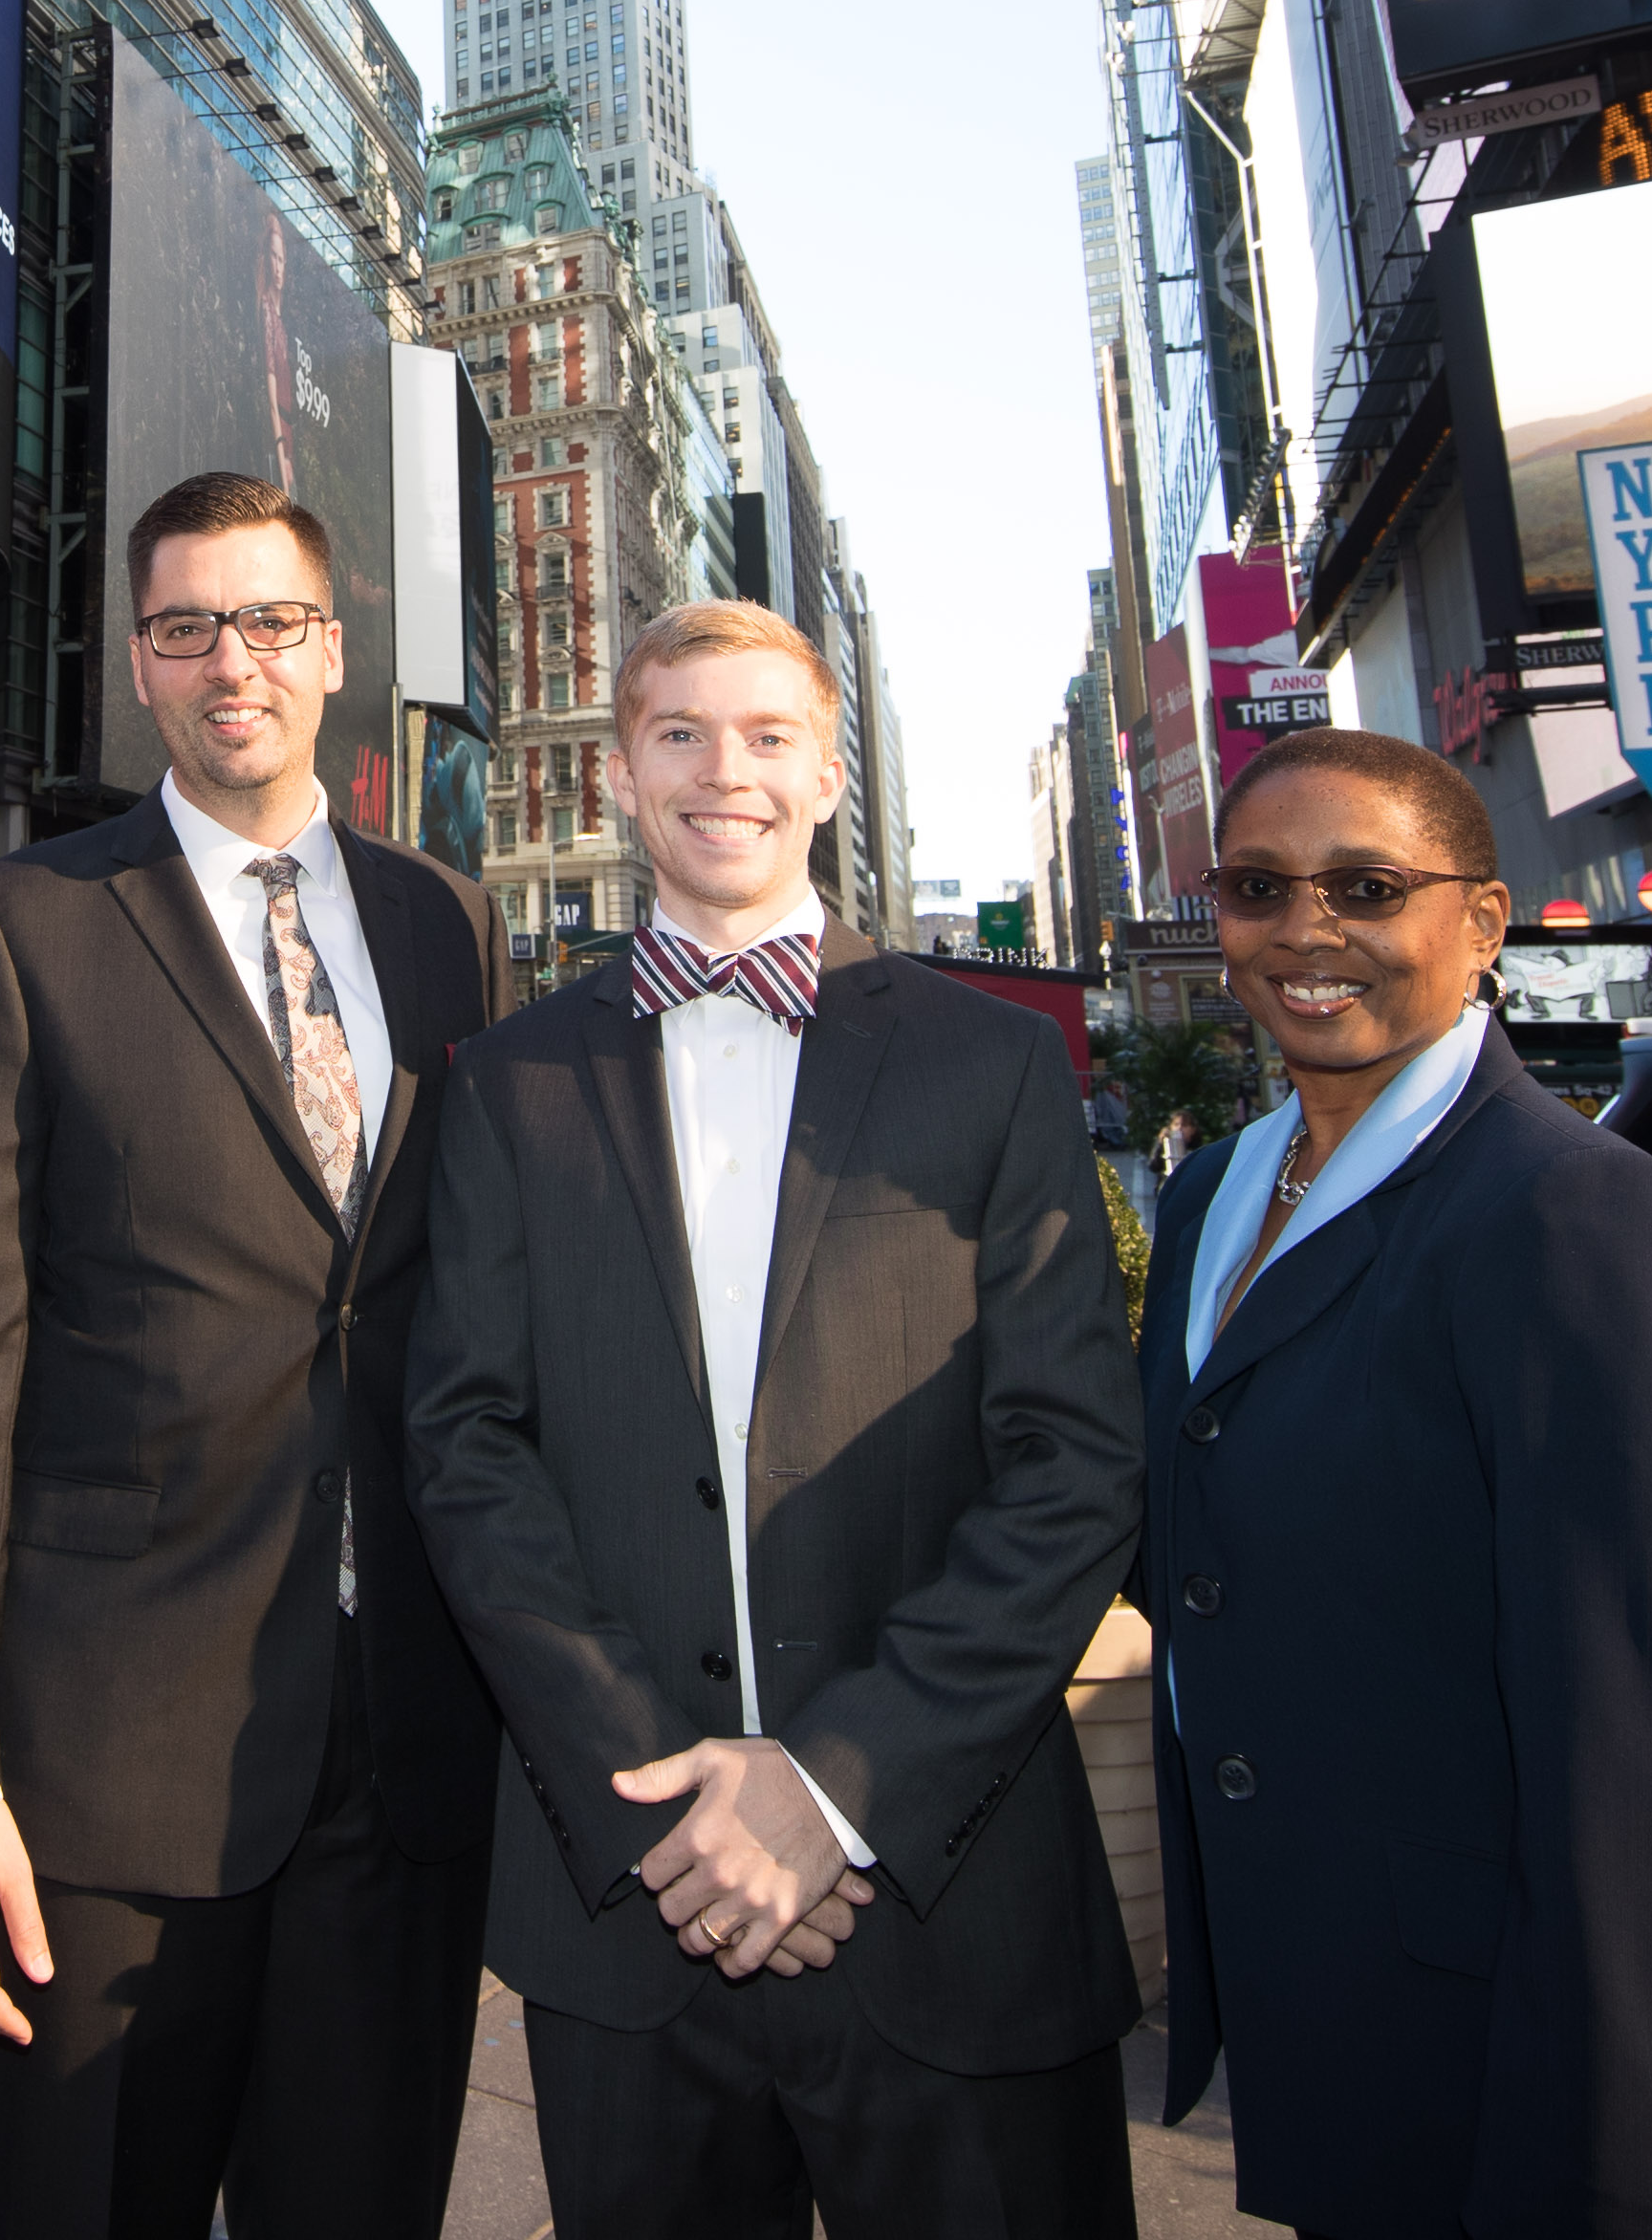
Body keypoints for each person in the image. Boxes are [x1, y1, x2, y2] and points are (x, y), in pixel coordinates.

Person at [1139, 729, 1652, 2238]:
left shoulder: (1587, 1221)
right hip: (1347, 2014)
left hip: (1565, 2056)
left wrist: (1617, 2176)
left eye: (1367, 885)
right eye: (1261, 887)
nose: (1308, 932)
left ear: (1485, 922)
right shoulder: (1211, 1198)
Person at [410, 601, 1145, 2236]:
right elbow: (465, 1448)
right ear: (616, 772)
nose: (718, 769)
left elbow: (1072, 1463)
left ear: (825, 772)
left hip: (949, 1902)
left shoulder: (992, 1064)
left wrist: (830, 1791)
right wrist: (665, 1801)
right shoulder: (507, 1078)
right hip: (634, 1913)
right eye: (677, 731)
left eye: (762, 735)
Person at [0, 471, 510, 2240]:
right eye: (185, 627)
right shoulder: (23, 920)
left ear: (333, 649)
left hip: (401, 1748)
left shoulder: (448, 925)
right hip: (100, 1759)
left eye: (270, 621)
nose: (232, 659)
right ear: (138, 665)